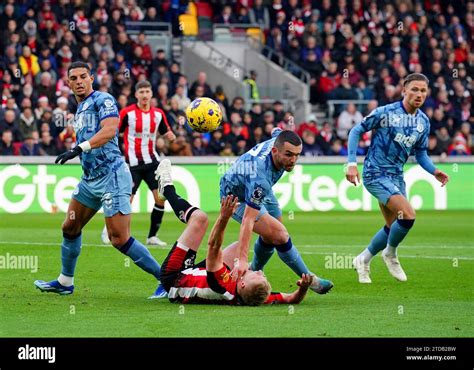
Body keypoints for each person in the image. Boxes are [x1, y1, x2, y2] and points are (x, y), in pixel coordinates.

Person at [34, 62, 164, 298]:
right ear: (68, 83)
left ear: (91, 78)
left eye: (84, 76)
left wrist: (79, 148)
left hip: (112, 175)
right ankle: (65, 282)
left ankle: (166, 279)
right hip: (90, 179)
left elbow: (111, 129)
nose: (79, 81)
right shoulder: (81, 108)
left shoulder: (102, 99)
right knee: (70, 227)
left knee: (118, 238)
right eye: (74, 78)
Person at [156, 159, 314, 305]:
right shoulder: (254, 295)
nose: (259, 271)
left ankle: (167, 189)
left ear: (243, 284)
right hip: (200, 273)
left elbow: (213, 246)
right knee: (239, 248)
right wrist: (303, 288)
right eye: (263, 275)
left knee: (200, 219)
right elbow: (291, 299)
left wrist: (224, 217)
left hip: (174, 277)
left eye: (258, 275)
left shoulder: (222, 284)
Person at [346, 73, 450, 283]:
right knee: (409, 215)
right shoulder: (386, 112)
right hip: (375, 173)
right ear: (404, 90)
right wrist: (351, 163)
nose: (419, 94)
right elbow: (356, 130)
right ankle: (390, 254)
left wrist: (434, 170)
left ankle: (363, 259)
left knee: (393, 225)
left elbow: (420, 154)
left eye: (423, 90)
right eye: (414, 89)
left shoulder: (423, 122)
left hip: (396, 176)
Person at [219, 128, 333, 294]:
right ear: (274, 151)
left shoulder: (278, 141)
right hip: (236, 197)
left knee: (274, 234)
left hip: (258, 188)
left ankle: (255, 269)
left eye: (297, 155)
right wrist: (242, 259)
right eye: (288, 155)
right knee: (280, 235)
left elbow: (276, 131)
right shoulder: (259, 175)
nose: (293, 160)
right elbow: (248, 220)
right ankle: (311, 280)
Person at [101, 80, 176, 248]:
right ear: (136, 95)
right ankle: (108, 230)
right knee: (127, 200)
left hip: (151, 162)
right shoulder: (128, 113)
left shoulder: (158, 114)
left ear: (151, 94)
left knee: (160, 198)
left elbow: (166, 131)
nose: (144, 95)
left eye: (147, 92)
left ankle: (152, 236)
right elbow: (115, 131)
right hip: (132, 164)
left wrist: (171, 135)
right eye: (141, 92)